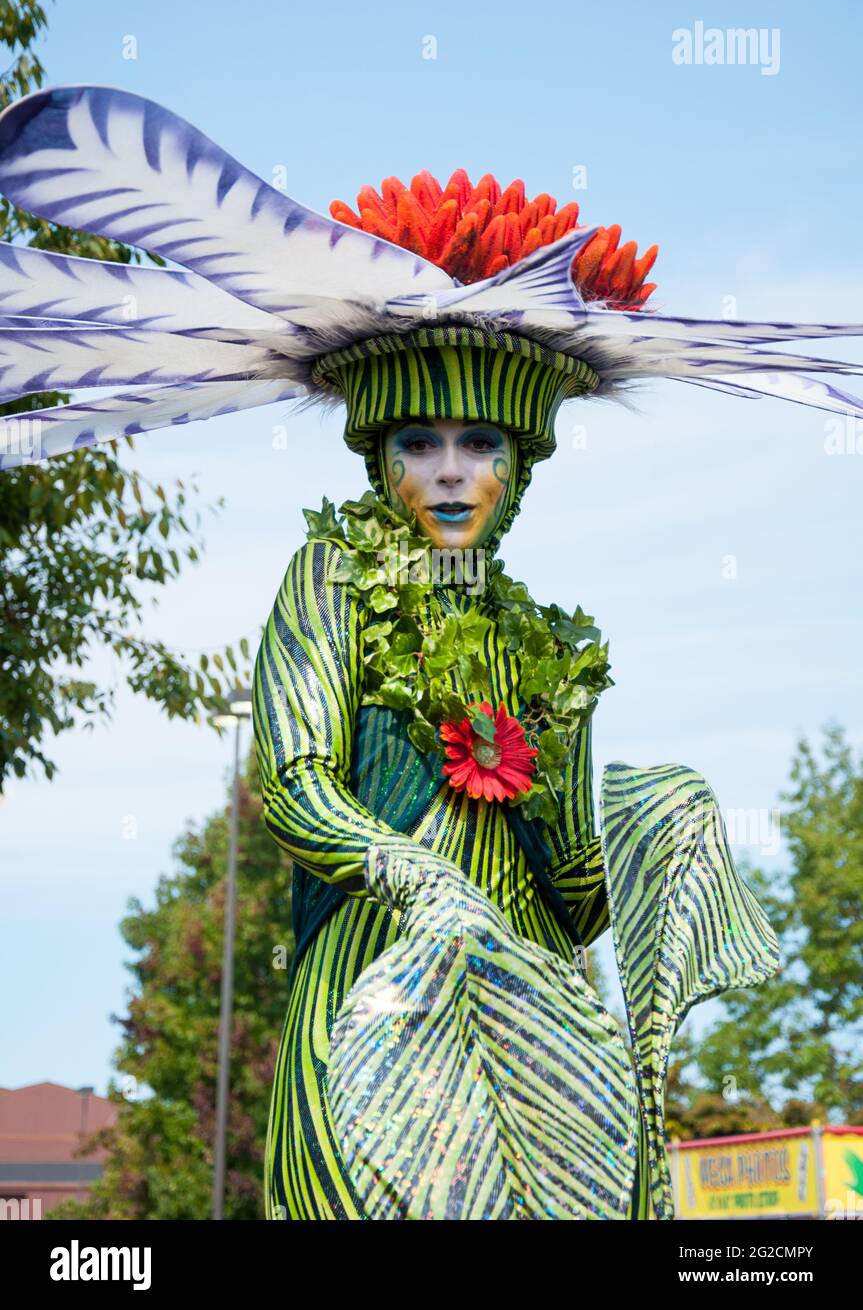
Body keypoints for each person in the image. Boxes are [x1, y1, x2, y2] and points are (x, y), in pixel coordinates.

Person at [0, 87, 858, 1220]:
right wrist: (415, 874)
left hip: (530, 1034)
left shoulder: (545, 646)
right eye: (420, 442)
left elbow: (574, 898)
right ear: (377, 456)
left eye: (478, 443)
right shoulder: (332, 581)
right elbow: (296, 783)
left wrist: (655, 842)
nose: (450, 470)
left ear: (523, 462)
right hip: (369, 1002)